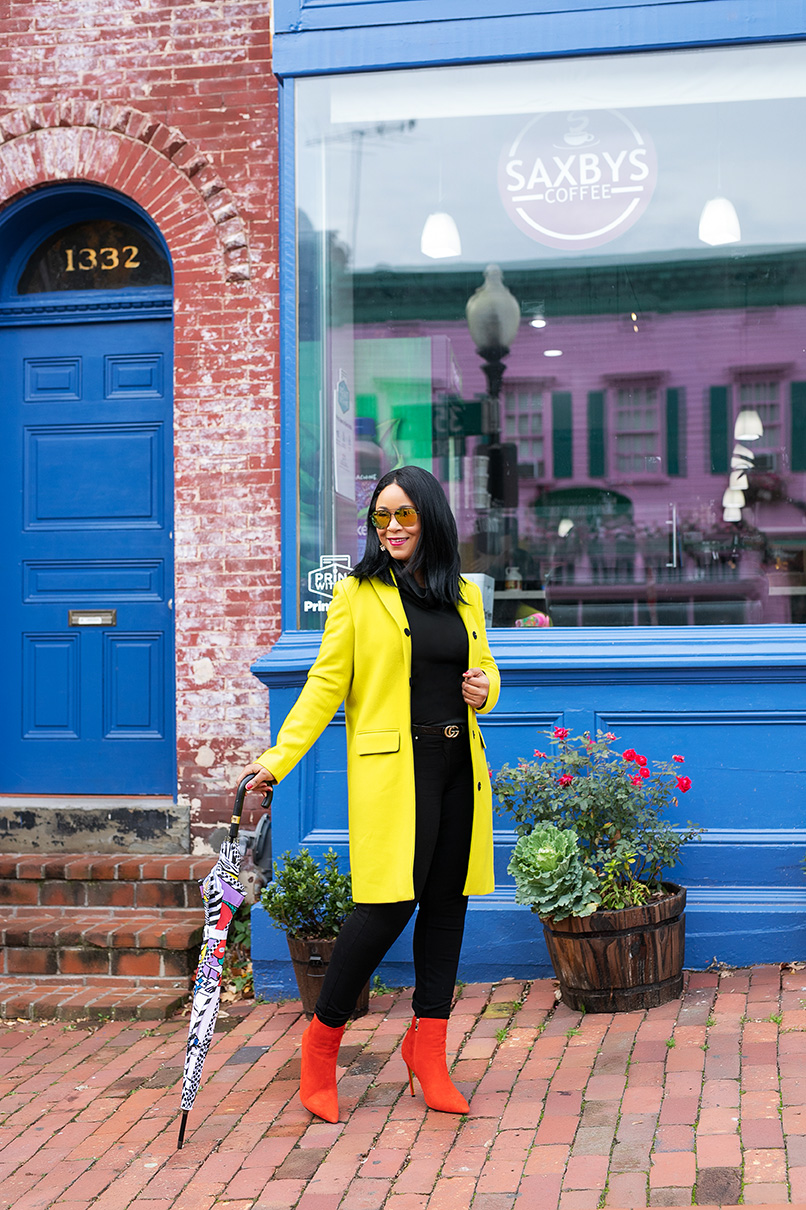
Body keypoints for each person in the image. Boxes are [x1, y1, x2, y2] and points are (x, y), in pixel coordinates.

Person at [240, 465, 500, 1122]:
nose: (390, 528)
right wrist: (274, 763)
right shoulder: (357, 595)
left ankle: (429, 1052)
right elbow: (325, 688)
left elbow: (485, 670)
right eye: (381, 517)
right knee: (384, 908)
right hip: (396, 772)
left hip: (456, 766)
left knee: (446, 907)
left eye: (403, 515)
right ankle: (321, 1045)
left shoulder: (463, 594)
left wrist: (485, 690)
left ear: (430, 518)